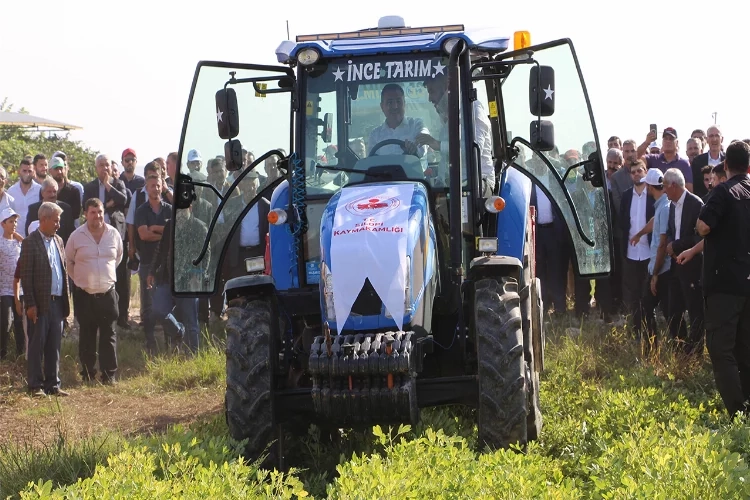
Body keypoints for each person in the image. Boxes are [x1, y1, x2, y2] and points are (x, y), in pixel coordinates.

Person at [695, 140, 750, 418]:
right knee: (744, 347)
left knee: (720, 348)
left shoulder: (723, 192)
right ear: (749, 166)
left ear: (725, 165)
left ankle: (737, 412)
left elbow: (703, 226)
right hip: (747, 282)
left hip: (724, 284)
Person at [65, 199, 123, 383]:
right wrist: (81, 280)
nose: (97, 215)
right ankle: (88, 374)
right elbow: (69, 262)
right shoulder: (76, 236)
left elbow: (118, 257)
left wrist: (104, 274)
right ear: (85, 214)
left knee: (109, 335)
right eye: (92, 212)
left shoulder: (113, 234)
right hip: (85, 295)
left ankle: (109, 375)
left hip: (108, 293)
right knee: (87, 335)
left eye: (99, 211)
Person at [19, 202, 70, 397]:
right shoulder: (30, 242)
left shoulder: (59, 241)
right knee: (36, 345)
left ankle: (53, 384)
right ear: (44, 219)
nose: (58, 224)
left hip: (57, 302)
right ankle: (35, 385)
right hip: (39, 304)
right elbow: (26, 276)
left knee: (54, 344)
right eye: (55, 220)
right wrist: (30, 304)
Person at [416, 73, 495, 196]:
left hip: (478, 183)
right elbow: (446, 161)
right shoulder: (448, 118)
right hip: (452, 184)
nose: (429, 98)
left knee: (458, 195)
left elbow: (473, 151)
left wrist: (438, 145)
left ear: (447, 87)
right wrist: (437, 183)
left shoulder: (473, 109)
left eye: (432, 91)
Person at [367, 83, 428, 157]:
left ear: (404, 104)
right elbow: (371, 162)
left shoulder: (417, 125)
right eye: (390, 102)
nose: (395, 106)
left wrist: (414, 149)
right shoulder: (375, 135)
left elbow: (423, 146)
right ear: (382, 106)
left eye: (398, 101)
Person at [0, 208, 24, 359]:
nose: (14, 224)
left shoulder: (19, 242)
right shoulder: (0, 244)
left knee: (20, 322)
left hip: (20, 290)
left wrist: (18, 237)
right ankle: (2, 353)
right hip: (4, 289)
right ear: (3, 224)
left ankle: (20, 353)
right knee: (6, 322)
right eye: (10, 222)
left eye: (15, 221)